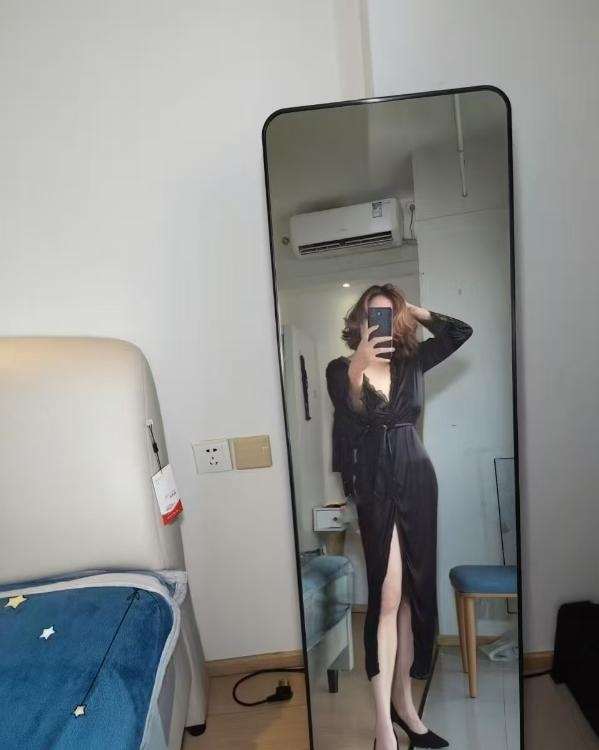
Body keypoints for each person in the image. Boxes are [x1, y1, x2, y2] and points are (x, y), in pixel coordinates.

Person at [325, 283, 472, 750]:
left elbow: (460, 332)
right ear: (359, 320)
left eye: (389, 314)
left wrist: (413, 308)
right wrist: (358, 367)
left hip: (417, 478)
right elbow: (349, 417)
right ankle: (383, 727)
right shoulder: (340, 369)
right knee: (387, 597)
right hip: (374, 484)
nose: (381, 323)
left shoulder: (414, 362)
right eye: (374, 315)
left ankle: (406, 708)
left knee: (410, 596)